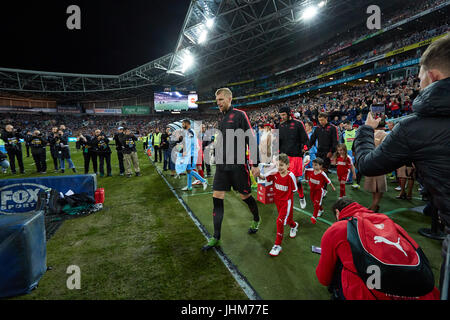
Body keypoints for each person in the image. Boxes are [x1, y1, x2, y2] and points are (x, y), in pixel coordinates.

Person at [353, 35, 450, 294]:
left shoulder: (415, 127)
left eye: (419, 79)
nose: (418, 85)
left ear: (434, 77)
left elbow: (367, 164)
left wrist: (365, 130)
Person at [316, 198, 440, 300]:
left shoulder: (338, 228)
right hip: (420, 290)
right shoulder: (389, 222)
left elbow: (324, 278)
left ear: (338, 213)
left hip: (372, 292)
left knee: (339, 266)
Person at [202, 88, 261, 251]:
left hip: (238, 165)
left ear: (229, 99)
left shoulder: (240, 115)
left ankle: (256, 218)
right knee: (217, 198)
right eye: (217, 101)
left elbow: (251, 138)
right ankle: (216, 237)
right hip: (222, 165)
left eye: (221, 100)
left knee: (245, 196)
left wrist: (255, 164)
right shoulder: (221, 117)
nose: (218, 103)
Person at [261, 154, 299, 257]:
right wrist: (257, 173)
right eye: (277, 165)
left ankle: (277, 245)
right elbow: (264, 177)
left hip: (287, 202)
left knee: (280, 221)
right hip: (277, 201)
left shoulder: (290, 176)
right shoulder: (274, 173)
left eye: (281, 165)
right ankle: (294, 226)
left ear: (288, 165)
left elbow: (295, 190)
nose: (279, 168)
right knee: (288, 221)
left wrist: (300, 198)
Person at [278, 106, 309, 209]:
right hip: (284, 156)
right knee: (285, 179)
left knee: (295, 180)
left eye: (283, 115)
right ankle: (287, 199)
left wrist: (306, 150)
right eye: (280, 115)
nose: (282, 117)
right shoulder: (281, 125)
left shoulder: (298, 124)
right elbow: (279, 141)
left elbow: (305, 139)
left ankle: (301, 196)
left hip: (296, 155)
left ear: (289, 113)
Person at [304, 158, 335, 224]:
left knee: (316, 204)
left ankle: (314, 217)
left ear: (320, 166)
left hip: (319, 191)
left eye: (316, 165)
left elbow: (328, 180)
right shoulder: (310, 170)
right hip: (312, 190)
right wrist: (306, 179)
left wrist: (332, 187)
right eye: (313, 165)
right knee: (314, 201)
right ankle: (320, 209)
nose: (314, 166)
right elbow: (305, 171)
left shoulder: (322, 174)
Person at [180, 120, 208, 191]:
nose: (182, 125)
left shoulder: (190, 131)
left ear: (187, 124)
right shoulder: (188, 131)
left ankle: (203, 180)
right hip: (190, 154)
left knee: (189, 170)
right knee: (189, 170)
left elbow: (191, 143)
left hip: (191, 154)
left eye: (183, 124)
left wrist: (185, 151)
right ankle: (189, 186)